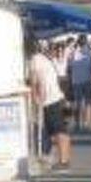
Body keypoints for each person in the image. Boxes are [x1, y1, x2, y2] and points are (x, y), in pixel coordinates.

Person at [26, 40, 70, 170]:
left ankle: (63, 161)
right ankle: (62, 159)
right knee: (57, 130)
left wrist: (35, 97)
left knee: (58, 130)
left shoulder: (35, 60)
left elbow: (34, 81)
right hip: (55, 97)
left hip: (50, 99)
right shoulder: (44, 59)